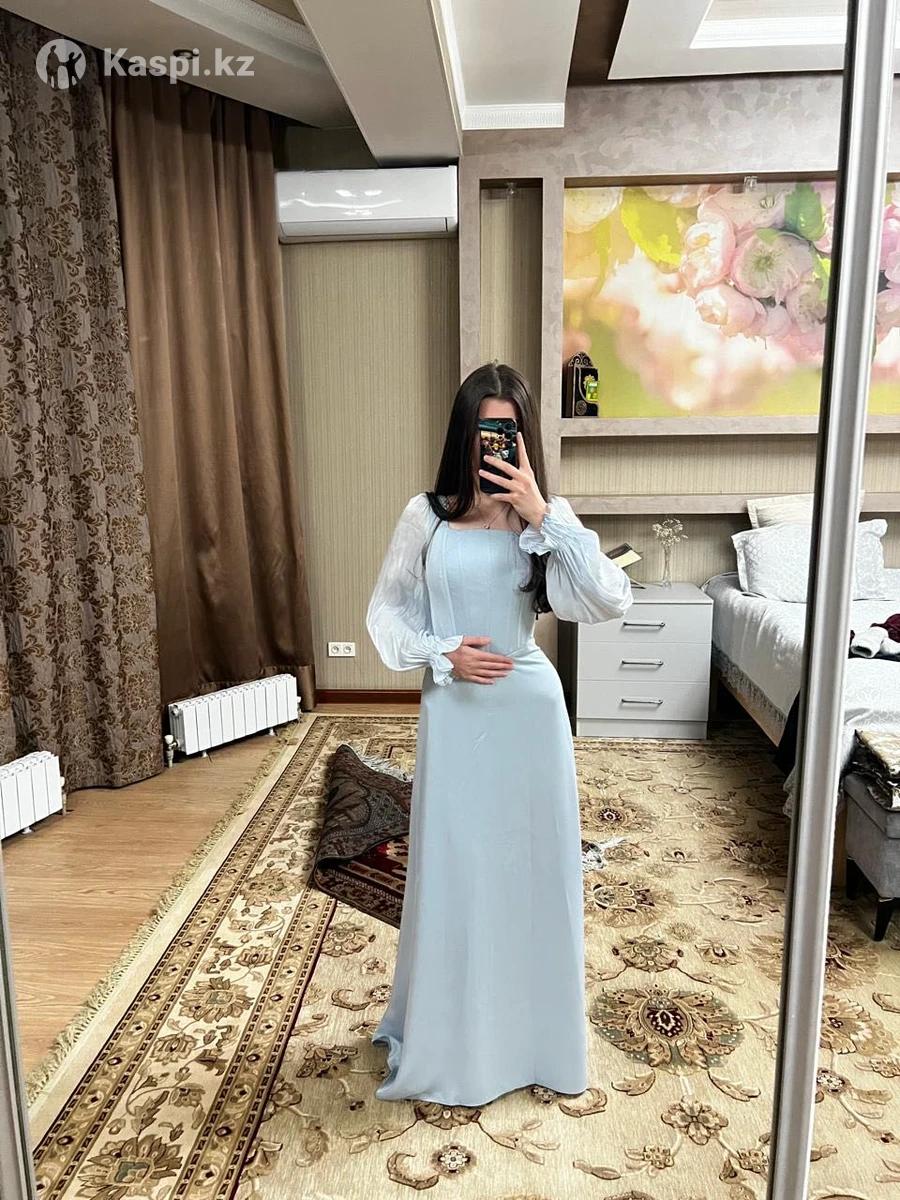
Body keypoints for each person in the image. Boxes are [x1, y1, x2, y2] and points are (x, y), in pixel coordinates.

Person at [365, 361, 633, 1106]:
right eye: (486, 430)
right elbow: (386, 613)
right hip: (455, 707)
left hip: (529, 711)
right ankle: (452, 1040)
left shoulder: (544, 520)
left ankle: (536, 1044)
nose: (497, 443)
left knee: (532, 872)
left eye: (509, 431)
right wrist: (441, 652)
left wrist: (543, 515)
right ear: (464, 433)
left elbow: (608, 598)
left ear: (524, 437)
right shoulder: (426, 515)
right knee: (456, 870)